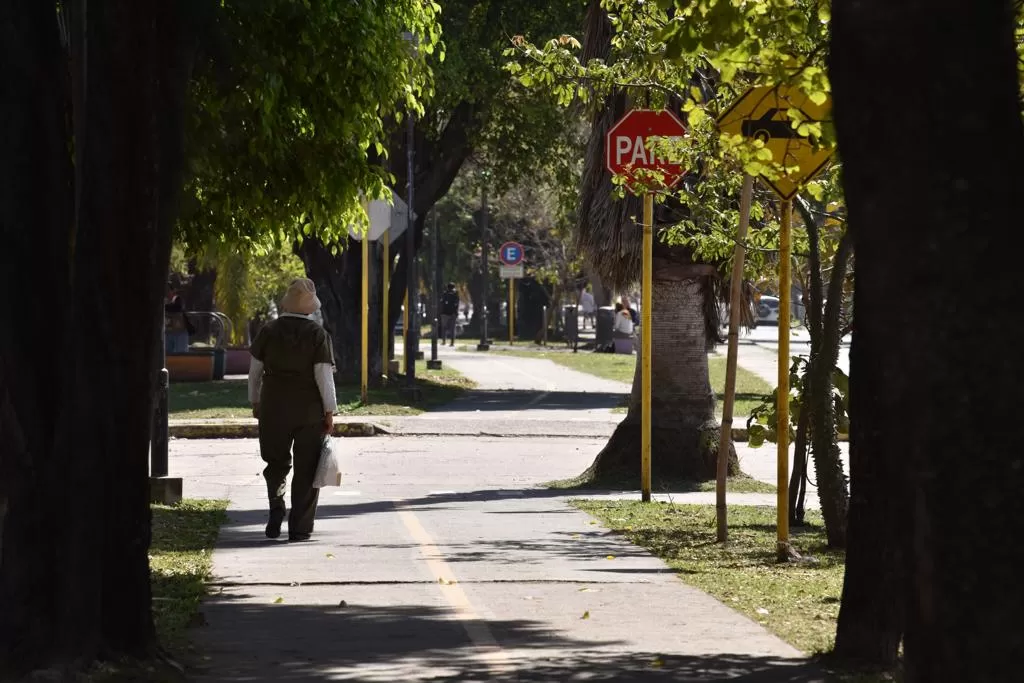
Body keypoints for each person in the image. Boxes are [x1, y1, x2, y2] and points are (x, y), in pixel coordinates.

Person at [248, 278, 337, 542]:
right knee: (307, 468)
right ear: (310, 307)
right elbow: (323, 376)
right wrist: (329, 411)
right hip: (309, 409)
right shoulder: (318, 334)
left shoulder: (268, 331)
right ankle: (299, 527)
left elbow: (254, 373)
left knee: (275, 463)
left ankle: (276, 508)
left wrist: (255, 402)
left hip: (273, 404)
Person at [164, 286, 194, 353]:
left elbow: (177, 308)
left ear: (172, 291)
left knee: (181, 353)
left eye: (168, 290)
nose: (167, 293)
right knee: (167, 353)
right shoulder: (163, 301)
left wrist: (164, 307)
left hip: (180, 332)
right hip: (167, 332)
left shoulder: (177, 299)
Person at [440, 282, 460, 347]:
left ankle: (443, 341)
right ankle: (452, 343)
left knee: (444, 328)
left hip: (445, 313)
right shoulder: (455, 294)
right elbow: (457, 304)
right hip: (453, 313)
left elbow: (442, 302)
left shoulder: (444, 294)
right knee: (452, 328)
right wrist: (456, 312)